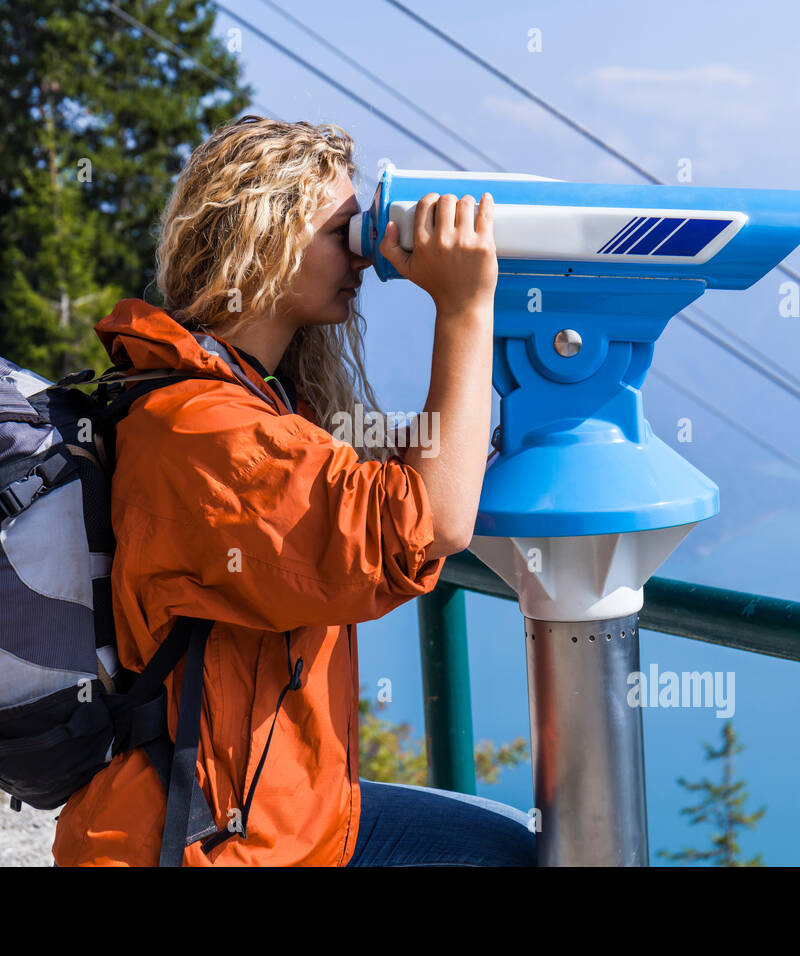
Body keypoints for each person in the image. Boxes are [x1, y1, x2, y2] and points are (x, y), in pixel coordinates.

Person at [51, 114, 534, 866]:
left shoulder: (245, 401)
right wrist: (466, 308)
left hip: (276, 813)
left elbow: (373, 491)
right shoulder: (205, 429)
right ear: (265, 241)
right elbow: (430, 523)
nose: (364, 259)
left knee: (496, 845)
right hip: (208, 842)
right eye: (343, 232)